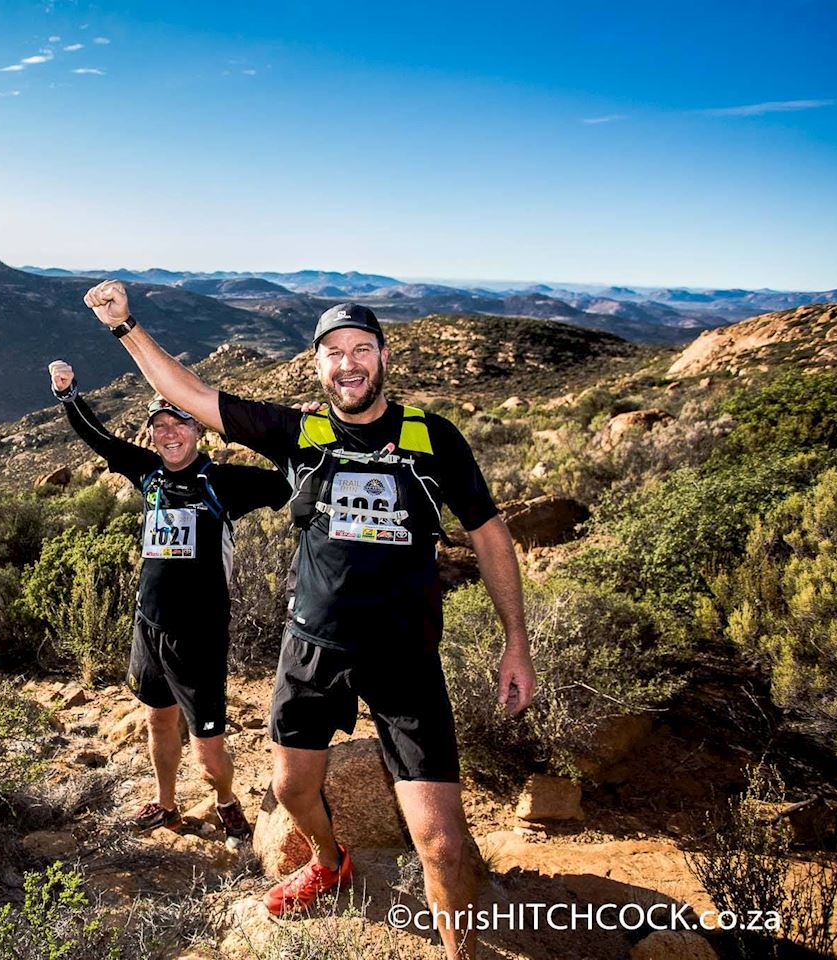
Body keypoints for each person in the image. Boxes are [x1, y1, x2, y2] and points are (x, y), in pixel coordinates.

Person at [81, 282, 535, 960]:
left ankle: (458, 951)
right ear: (316, 364)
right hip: (313, 650)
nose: (348, 365)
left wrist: (516, 644)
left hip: (405, 654)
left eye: (360, 351)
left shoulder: (433, 439)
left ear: (383, 356)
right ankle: (329, 861)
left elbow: (492, 536)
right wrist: (125, 328)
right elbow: (192, 395)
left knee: (440, 839)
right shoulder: (299, 432)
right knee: (292, 788)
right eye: (333, 354)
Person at [48, 358, 292, 845]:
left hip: (197, 635)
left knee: (206, 751)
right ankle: (164, 803)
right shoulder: (148, 473)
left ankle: (225, 801)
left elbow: (288, 480)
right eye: (159, 427)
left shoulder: (223, 482)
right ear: (152, 437)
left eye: (178, 422)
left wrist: (285, 430)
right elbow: (100, 439)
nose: (168, 434)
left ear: (197, 430)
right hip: (149, 625)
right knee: (157, 718)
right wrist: (69, 394)